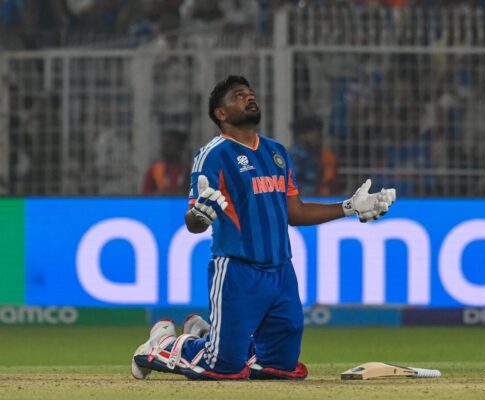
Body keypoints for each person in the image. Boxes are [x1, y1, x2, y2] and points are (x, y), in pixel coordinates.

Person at [131, 75, 396, 381]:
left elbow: (295, 212)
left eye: (250, 93)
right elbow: (193, 223)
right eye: (238, 95)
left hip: (281, 272)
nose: (250, 97)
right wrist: (200, 215)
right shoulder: (213, 154)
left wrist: (349, 207)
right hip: (238, 271)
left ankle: (208, 335)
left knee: (279, 366)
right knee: (224, 368)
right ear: (221, 113)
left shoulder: (276, 152)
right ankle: (161, 344)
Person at [289, 115, 339, 196]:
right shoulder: (297, 155)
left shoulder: (310, 152)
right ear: (302, 135)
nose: (318, 137)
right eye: (313, 133)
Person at [142, 129, 190, 196]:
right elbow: (145, 196)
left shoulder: (187, 171)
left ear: (180, 147)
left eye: (170, 145)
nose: (165, 148)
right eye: (164, 145)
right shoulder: (153, 170)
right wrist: (159, 195)